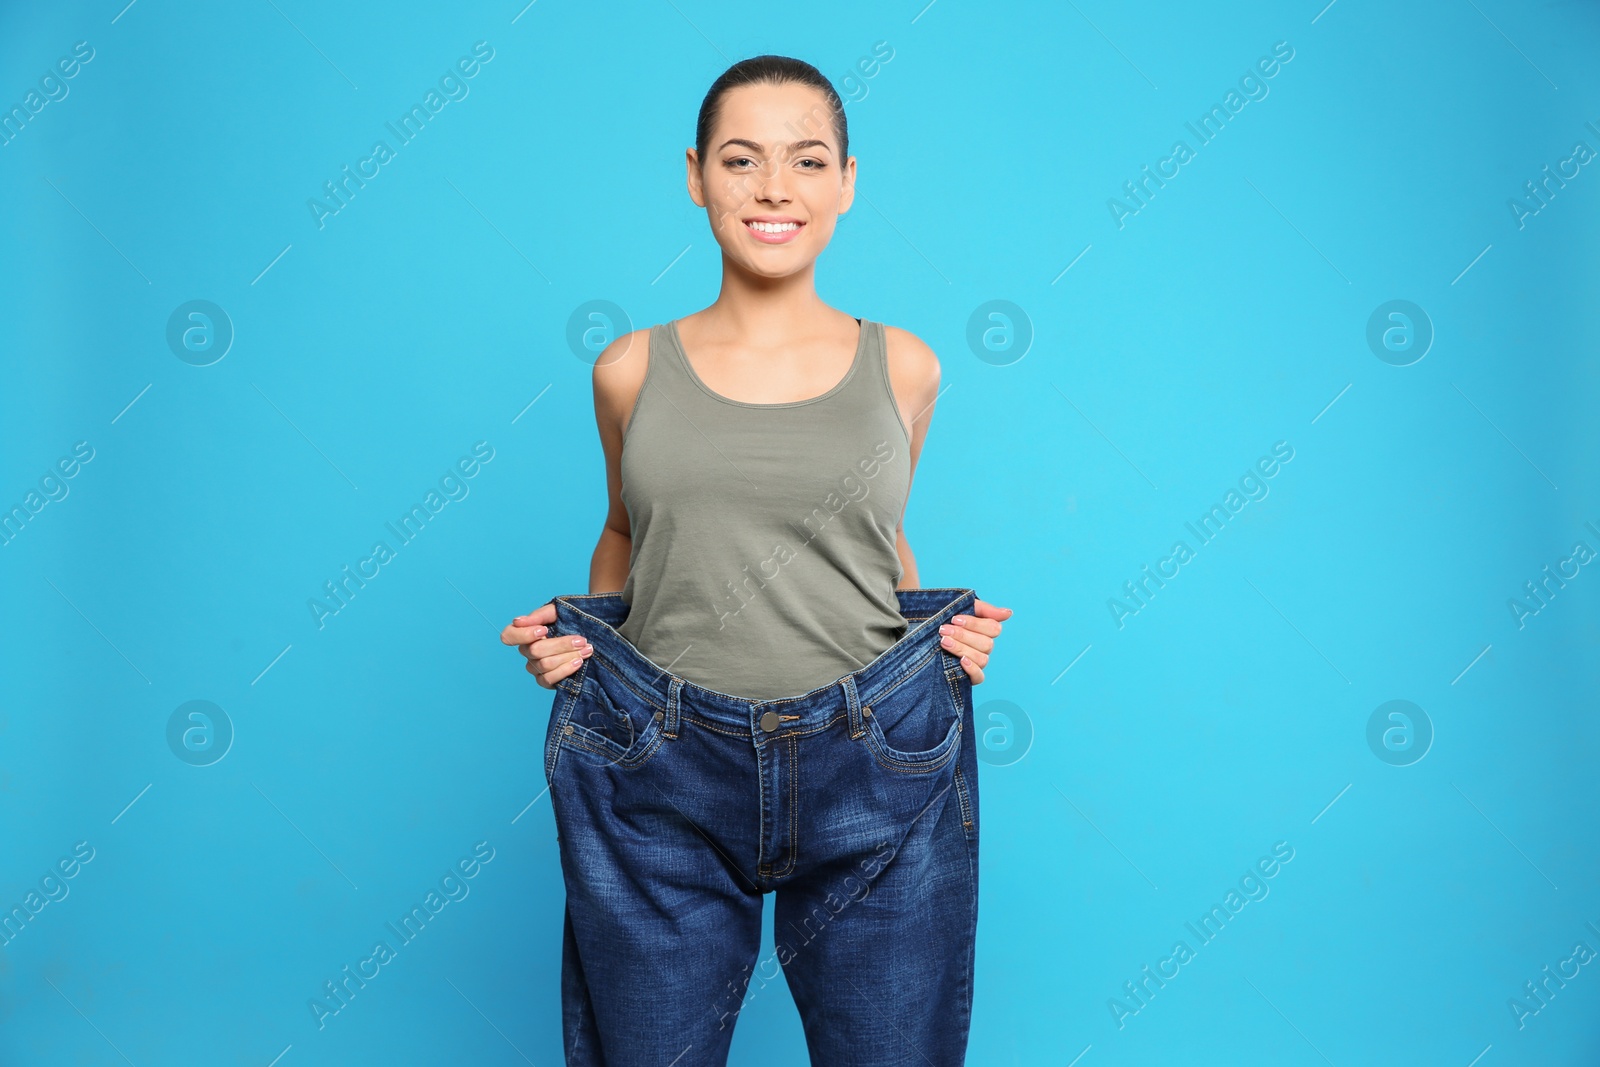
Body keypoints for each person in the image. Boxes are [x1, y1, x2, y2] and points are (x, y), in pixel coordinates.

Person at [501, 54, 1012, 1066]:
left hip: (877, 754)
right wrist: (580, 649)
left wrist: (941, 644)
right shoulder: (629, 367)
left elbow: (877, 542)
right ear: (695, 175)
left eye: (805, 160)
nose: (774, 187)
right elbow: (624, 527)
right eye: (742, 159)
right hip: (661, 754)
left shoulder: (905, 363)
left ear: (846, 182)